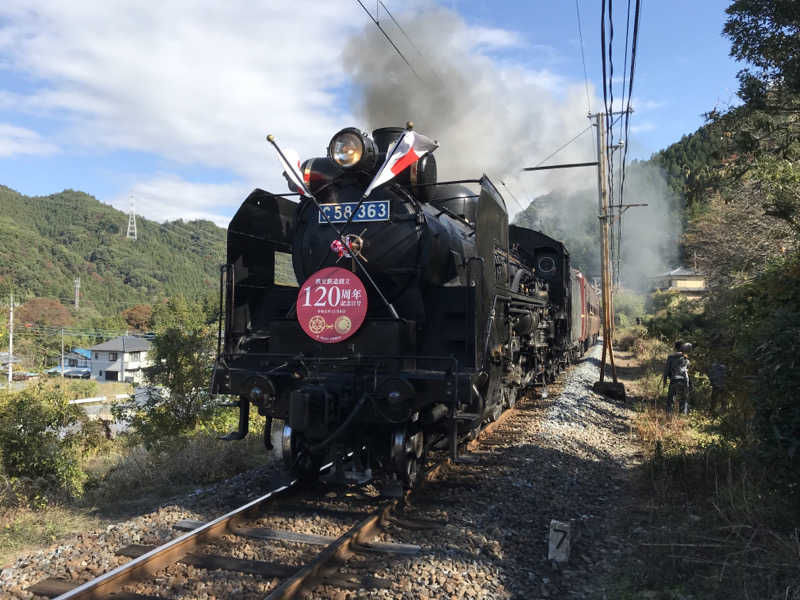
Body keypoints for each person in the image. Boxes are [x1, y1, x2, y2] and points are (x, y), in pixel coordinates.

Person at [662, 341, 692, 415]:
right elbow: (687, 370)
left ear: (675, 348)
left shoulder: (671, 358)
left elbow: (666, 370)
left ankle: (669, 416)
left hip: (674, 380)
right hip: (684, 381)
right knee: (684, 400)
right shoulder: (686, 359)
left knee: (670, 400)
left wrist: (664, 381)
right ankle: (682, 417)